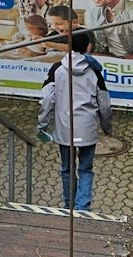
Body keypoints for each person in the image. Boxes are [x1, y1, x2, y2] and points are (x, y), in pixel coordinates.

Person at [36, 29, 113, 211]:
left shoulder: (57, 69)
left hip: (65, 130)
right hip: (88, 130)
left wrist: (42, 125)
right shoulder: (95, 72)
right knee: (86, 170)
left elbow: (47, 99)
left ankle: (68, 206)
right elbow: (105, 105)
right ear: (89, 46)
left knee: (66, 169)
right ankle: (83, 209)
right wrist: (106, 127)